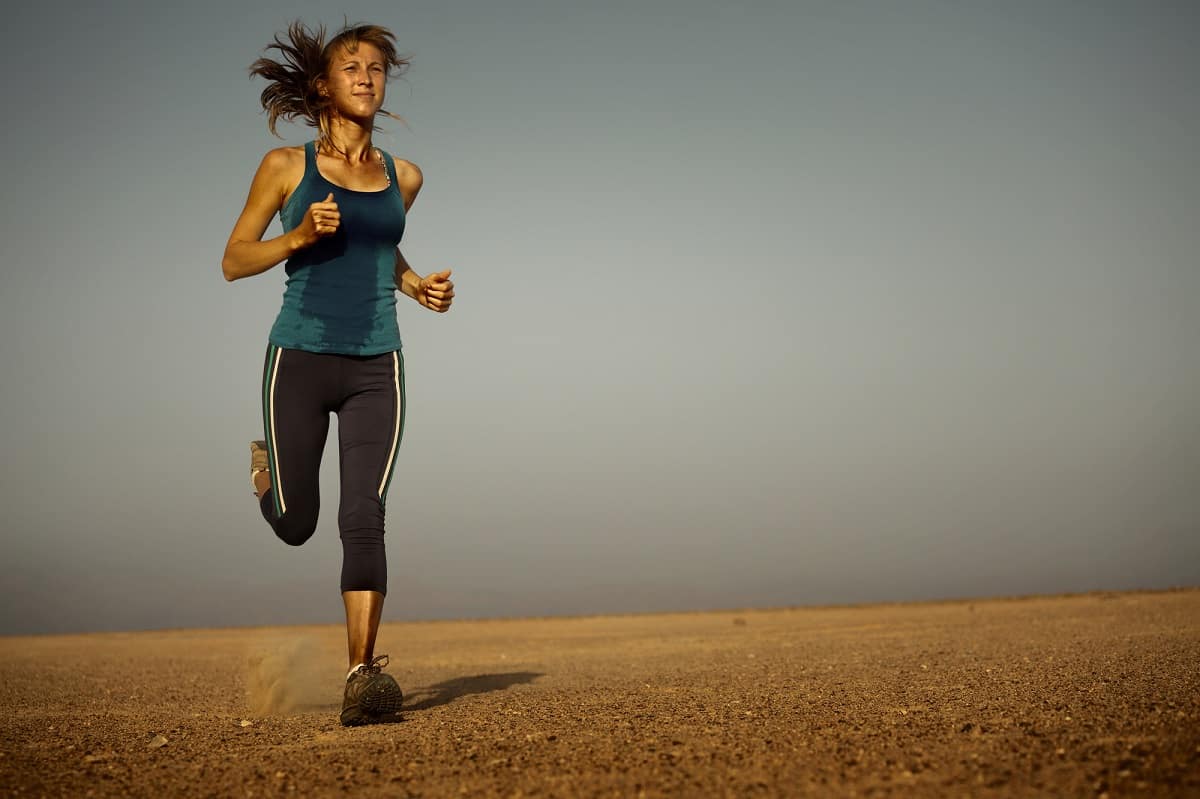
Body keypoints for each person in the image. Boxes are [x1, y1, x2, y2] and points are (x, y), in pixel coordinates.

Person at [221, 21, 454, 727]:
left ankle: (362, 672)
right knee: (297, 524)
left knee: (365, 515)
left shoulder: (403, 176)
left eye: (378, 67)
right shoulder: (284, 168)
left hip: (377, 363)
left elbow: (378, 250)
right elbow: (234, 258)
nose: (367, 75)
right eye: (351, 65)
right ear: (323, 84)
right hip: (298, 355)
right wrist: (297, 235)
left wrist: (418, 287)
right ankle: (266, 475)